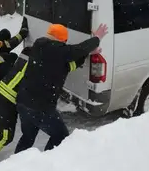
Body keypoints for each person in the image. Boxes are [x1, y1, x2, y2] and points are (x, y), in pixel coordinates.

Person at [0, 46, 85, 170]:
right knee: (6, 136)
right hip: (9, 96)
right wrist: (83, 54)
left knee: (4, 123)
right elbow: (64, 67)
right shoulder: (39, 63)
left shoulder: (27, 53)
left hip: (3, 91)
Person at [14, 23, 108, 153]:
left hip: (23, 103)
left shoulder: (39, 46)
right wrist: (97, 38)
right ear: (61, 41)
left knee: (28, 137)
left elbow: (68, 63)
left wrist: (87, 54)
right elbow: (74, 51)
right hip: (41, 108)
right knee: (61, 136)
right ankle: (47, 162)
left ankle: (17, 164)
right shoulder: (56, 50)